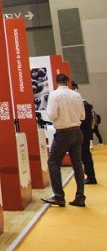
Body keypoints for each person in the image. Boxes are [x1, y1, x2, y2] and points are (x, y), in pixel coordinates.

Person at [41, 74, 86, 207]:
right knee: (77, 164)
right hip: (77, 132)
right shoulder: (76, 95)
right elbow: (82, 116)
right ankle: (80, 197)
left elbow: (51, 115)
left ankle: (59, 197)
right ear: (67, 82)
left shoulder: (54, 95)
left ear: (56, 83)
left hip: (63, 133)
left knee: (53, 162)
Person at [71, 82, 97, 185]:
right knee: (84, 156)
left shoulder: (84, 104)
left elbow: (84, 121)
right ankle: (89, 176)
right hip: (83, 134)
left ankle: (91, 176)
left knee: (85, 156)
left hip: (84, 135)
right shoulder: (83, 104)